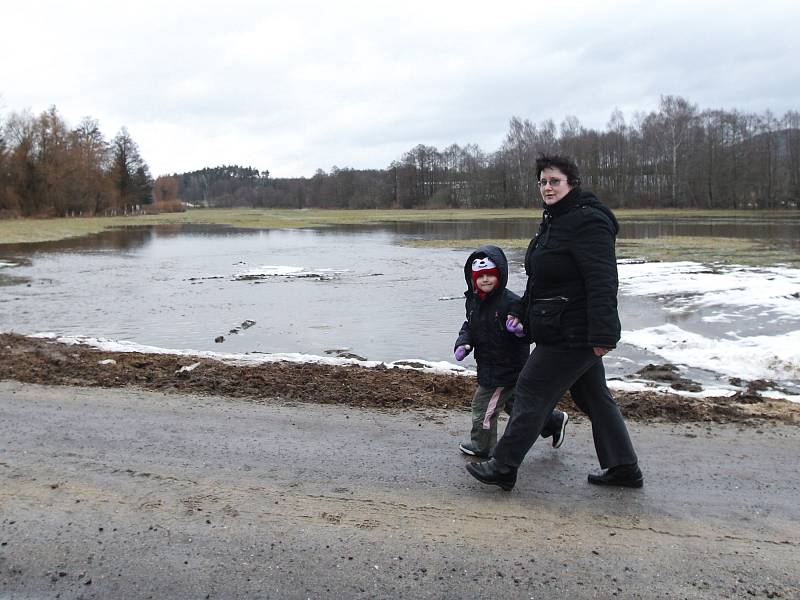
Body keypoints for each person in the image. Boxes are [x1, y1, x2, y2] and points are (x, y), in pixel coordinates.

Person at [466, 154, 642, 492]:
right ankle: (624, 467)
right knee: (594, 397)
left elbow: (603, 280)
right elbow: (541, 280)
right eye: (543, 182)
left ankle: (504, 465)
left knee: (530, 388)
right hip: (558, 325)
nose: (547, 187)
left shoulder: (589, 222)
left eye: (554, 181)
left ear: (571, 183)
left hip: (575, 331)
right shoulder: (555, 220)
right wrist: (521, 309)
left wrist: (604, 333)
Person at [454, 245, 569, 459]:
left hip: (505, 368)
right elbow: (470, 326)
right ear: (472, 278)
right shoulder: (473, 301)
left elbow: (530, 333)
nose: (485, 280)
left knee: (483, 407)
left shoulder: (512, 302)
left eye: (490, 275)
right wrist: (463, 343)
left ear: (500, 274)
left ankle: (483, 446)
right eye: (480, 276)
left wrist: (519, 331)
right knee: (516, 406)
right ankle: (553, 421)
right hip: (488, 364)